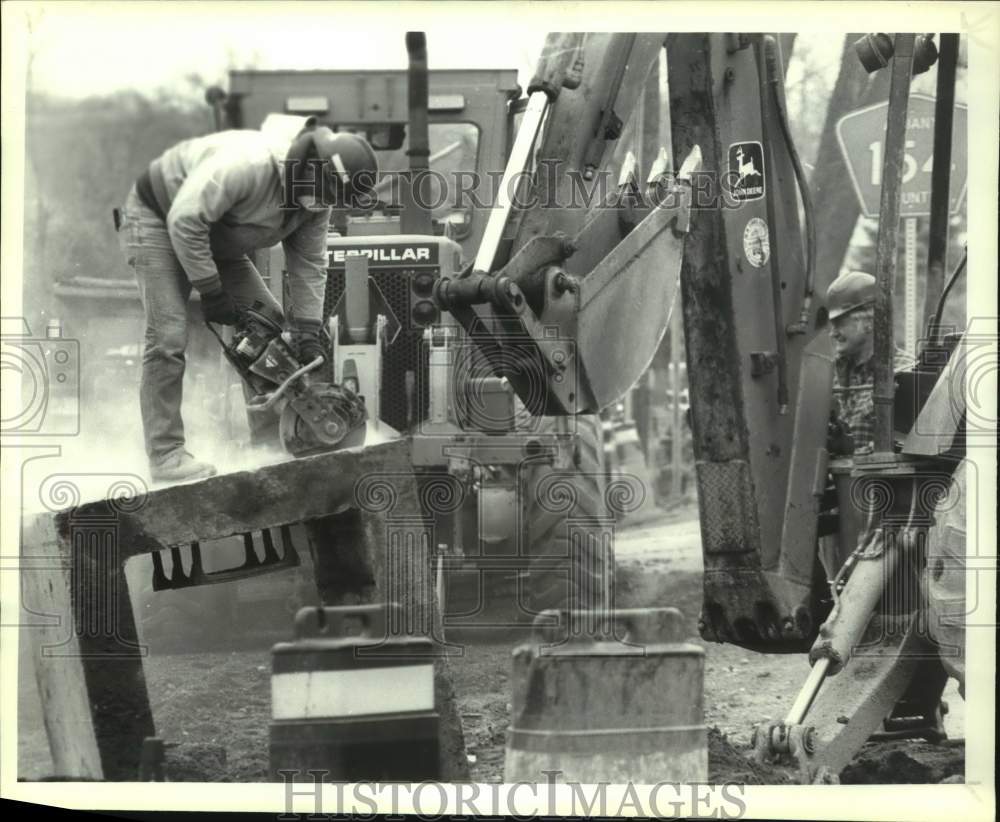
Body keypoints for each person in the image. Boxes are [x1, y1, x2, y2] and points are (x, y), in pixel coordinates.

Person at [117, 121, 378, 482]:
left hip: (217, 237)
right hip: (158, 220)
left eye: (334, 200)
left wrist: (306, 330)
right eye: (324, 193)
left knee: (271, 333)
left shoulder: (318, 201)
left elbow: (309, 264)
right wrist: (210, 290)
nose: (324, 204)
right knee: (168, 338)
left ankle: (271, 446)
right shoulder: (247, 167)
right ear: (309, 170)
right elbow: (185, 222)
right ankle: (165, 454)